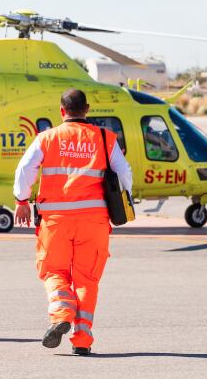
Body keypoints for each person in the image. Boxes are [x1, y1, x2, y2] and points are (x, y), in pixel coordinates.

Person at [13, 89, 132, 355]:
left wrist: (21, 200)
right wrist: (124, 198)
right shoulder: (105, 137)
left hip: (55, 221)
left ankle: (61, 314)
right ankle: (82, 341)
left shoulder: (47, 138)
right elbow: (125, 174)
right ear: (87, 109)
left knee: (54, 272)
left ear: (61, 111)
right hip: (95, 221)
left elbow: (24, 170)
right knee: (87, 279)